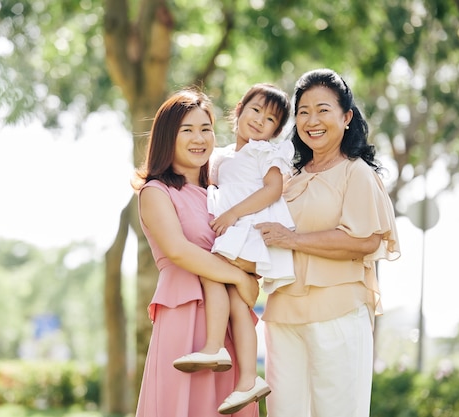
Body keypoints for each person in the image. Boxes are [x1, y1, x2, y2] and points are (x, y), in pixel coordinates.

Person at [255, 68, 401, 417]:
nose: (311, 120)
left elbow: (363, 240)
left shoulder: (357, 173)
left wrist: (293, 239)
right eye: (303, 111)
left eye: (323, 109)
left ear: (346, 117)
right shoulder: (288, 180)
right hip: (283, 316)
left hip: (338, 313)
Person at [132, 87, 261, 417]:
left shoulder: (223, 196)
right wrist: (237, 277)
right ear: (167, 137)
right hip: (184, 310)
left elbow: (251, 248)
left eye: (205, 129)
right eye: (187, 130)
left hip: (230, 324)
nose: (199, 138)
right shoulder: (156, 191)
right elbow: (178, 251)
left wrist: (250, 277)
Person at [172, 83, 295, 414]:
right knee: (239, 306)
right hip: (235, 235)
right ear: (239, 109)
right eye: (255, 110)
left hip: (250, 234)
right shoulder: (222, 155)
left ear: (275, 131)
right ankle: (248, 379)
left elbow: (272, 191)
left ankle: (214, 346)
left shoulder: (265, 153)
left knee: (211, 269)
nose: (259, 120)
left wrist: (233, 213)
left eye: (270, 119)